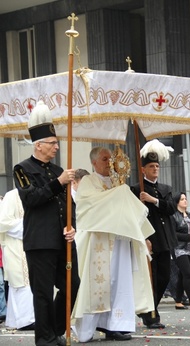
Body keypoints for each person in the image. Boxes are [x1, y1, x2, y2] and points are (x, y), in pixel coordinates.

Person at [12, 100, 80, 346]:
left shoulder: (58, 169)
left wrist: (72, 227)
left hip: (62, 240)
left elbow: (68, 205)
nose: (57, 147)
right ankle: (44, 339)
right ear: (38, 145)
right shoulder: (22, 169)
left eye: (57, 142)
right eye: (52, 143)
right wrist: (58, 182)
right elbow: (32, 198)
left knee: (73, 285)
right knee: (42, 293)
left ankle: (55, 329)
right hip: (40, 241)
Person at [72, 147, 155, 342]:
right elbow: (87, 208)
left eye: (111, 159)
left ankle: (116, 325)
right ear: (93, 163)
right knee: (97, 285)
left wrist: (122, 193)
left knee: (120, 282)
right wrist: (119, 194)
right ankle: (89, 327)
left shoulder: (120, 183)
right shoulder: (88, 183)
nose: (109, 163)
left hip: (119, 240)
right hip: (98, 242)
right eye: (104, 159)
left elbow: (128, 211)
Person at [130, 141, 177, 329]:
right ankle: (151, 314)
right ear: (143, 169)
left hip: (164, 239)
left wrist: (153, 200)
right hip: (150, 239)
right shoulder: (136, 189)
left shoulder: (164, 189)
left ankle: (150, 308)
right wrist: (143, 238)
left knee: (164, 276)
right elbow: (135, 217)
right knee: (150, 277)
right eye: (151, 166)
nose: (155, 169)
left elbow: (171, 208)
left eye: (157, 166)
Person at [0, 188, 35, 330]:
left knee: (29, 283)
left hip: (33, 245)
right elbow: (3, 222)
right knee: (21, 283)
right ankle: (26, 320)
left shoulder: (37, 194)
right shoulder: (11, 196)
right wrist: (31, 225)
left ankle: (16, 320)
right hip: (15, 246)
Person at [171, 192, 190, 310]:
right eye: (182, 199)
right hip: (179, 248)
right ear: (177, 202)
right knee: (188, 273)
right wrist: (188, 237)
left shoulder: (188, 214)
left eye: (185, 199)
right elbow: (173, 234)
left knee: (182, 274)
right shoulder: (173, 216)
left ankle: (178, 301)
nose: (185, 201)